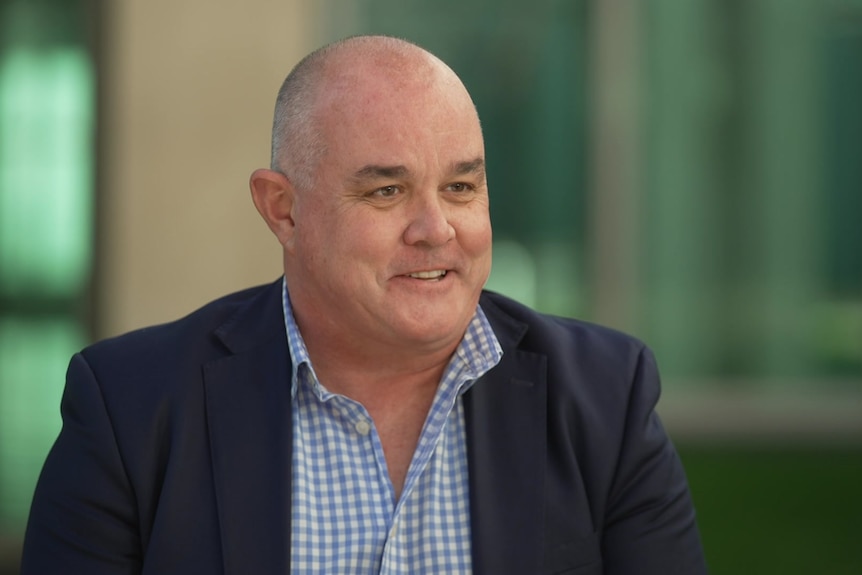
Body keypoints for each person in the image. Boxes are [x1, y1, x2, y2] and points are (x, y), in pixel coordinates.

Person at [21, 35, 707, 574]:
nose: (436, 228)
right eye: (386, 192)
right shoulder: (131, 409)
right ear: (283, 211)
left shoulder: (603, 399)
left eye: (461, 188)